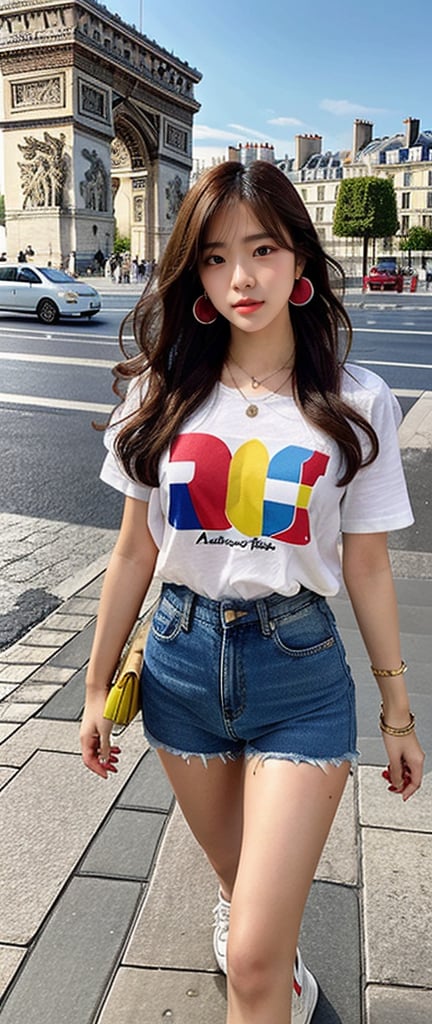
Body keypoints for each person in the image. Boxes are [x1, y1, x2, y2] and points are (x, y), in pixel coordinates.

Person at [80, 161, 424, 1024]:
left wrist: (398, 714)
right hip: (179, 670)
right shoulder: (161, 396)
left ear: (299, 261)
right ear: (193, 275)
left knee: (253, 963)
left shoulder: (357, 400)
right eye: (215, 256)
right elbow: (132, 553)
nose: (241, 277)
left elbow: (370, 566)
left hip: (300, 671)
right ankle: (263, 944)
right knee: (243, 890)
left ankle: (268, 969)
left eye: (263, 249)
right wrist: (92, 689)